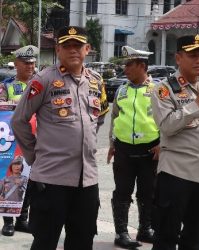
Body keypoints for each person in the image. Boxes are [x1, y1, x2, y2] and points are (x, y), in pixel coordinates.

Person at [11, 26, 109, 250]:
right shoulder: (43, 80)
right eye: (67, 45)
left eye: (78, 45)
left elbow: (99, 118)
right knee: (45, 241)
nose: (73, 50)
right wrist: (34, 155)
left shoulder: (96, 81)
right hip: (51, 180)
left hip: (87, 181)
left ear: (88, 49)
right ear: (58, 49)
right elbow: (19, 120)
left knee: (82, 241)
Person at [151, 34, 199, 250]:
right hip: (176, 174)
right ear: (178, 58)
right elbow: (166, 126)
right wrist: (196, 105)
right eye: (193, 55)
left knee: (197, 236)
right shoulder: (163, 89)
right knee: (166, 236)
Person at [107, 45, 160, 249]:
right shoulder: (122, 89)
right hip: (124, 151)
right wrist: (111, 144)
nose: (125, 69)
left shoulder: (157, 90)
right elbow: (115, 117)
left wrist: (162, 144)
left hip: (150, 151)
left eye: (129, 64)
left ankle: (145, 230)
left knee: (148, 192)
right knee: (122, 192)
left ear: (142, 66)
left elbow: (165, 119)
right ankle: (121, 233)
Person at [0, 45, 38, 236]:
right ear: (16, 64)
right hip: (11, 142)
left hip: (34, 142)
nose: (30, 66)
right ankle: (8, 221)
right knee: (10, 180)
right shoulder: (6, 86)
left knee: (30, 181)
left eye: (32, 63)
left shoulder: (40, 85)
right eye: (26, 63)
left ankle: (23, 219)